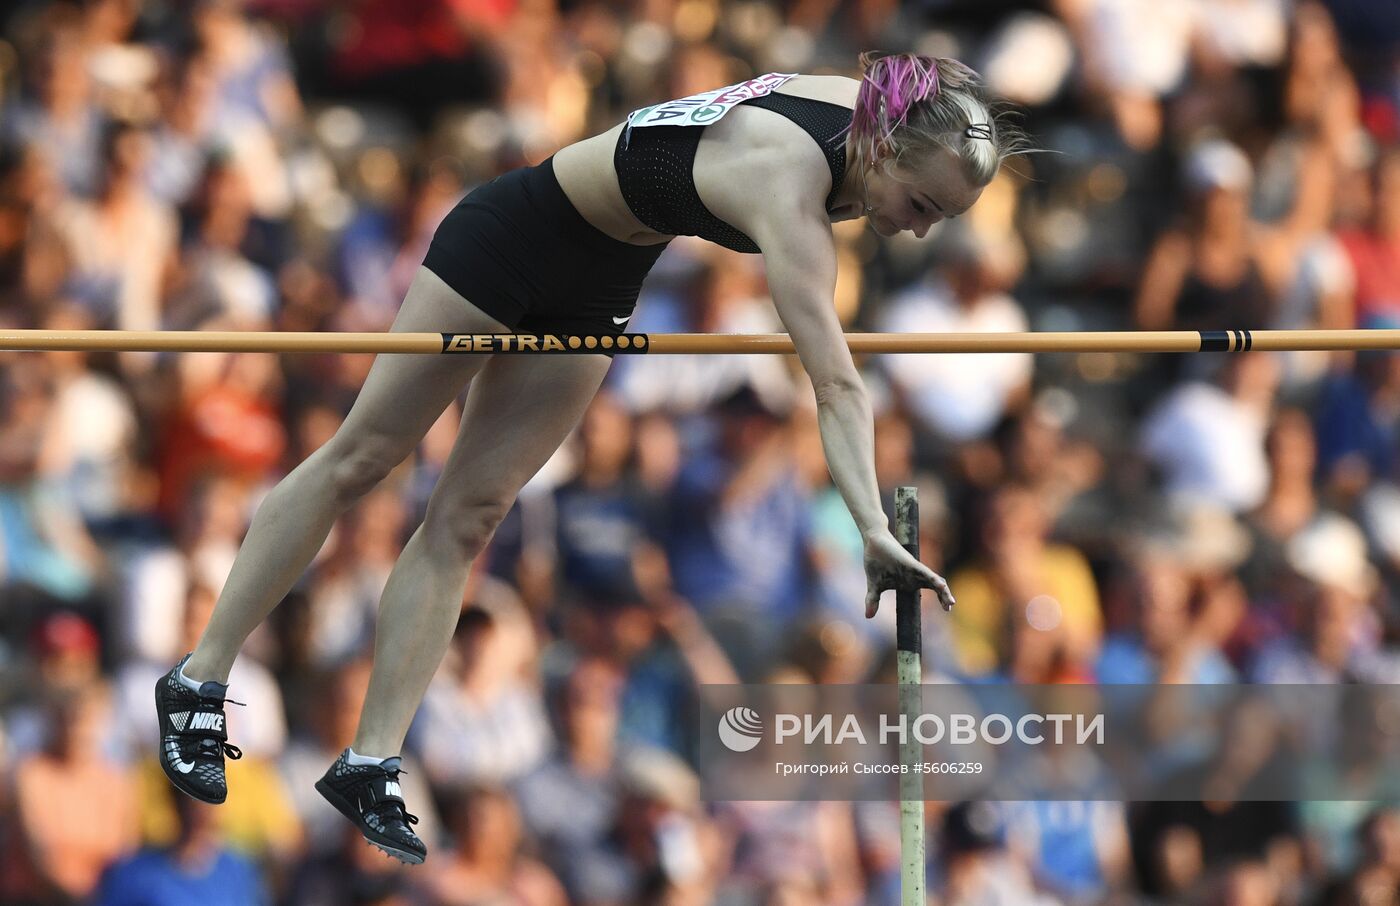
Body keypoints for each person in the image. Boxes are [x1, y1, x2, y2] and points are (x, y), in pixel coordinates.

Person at [155, 52, 1016, 863]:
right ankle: (199, 682)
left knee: (470, 517)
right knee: (364, 458)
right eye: (922, 205)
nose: (915, 232)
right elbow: (835, 387)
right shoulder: (787, 184)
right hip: (513, 236)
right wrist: (870, 524)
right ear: (887, 149)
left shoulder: (873, 113)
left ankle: (369, 762)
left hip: (603, 279)